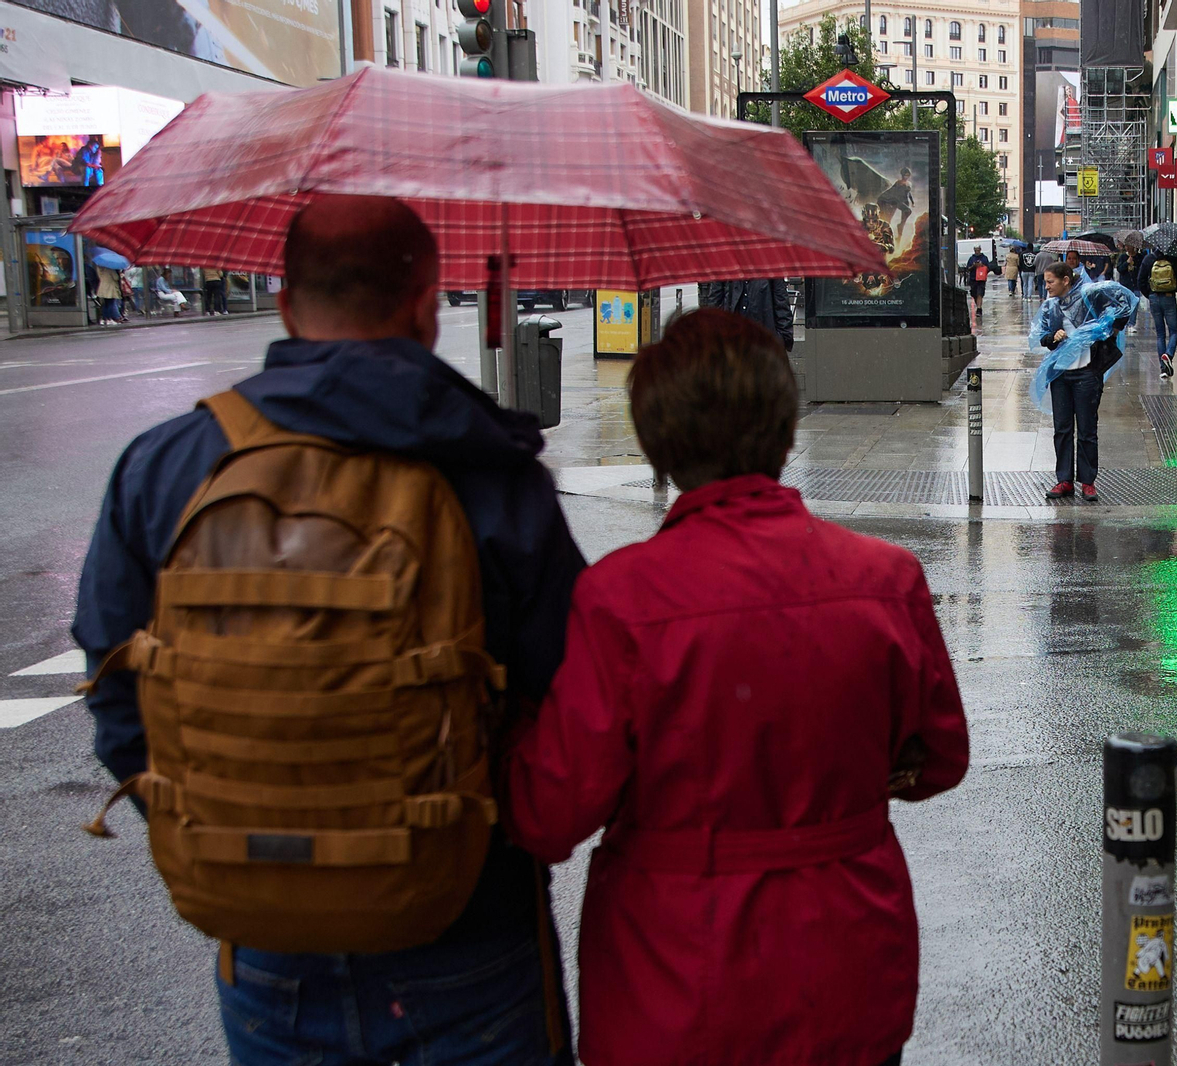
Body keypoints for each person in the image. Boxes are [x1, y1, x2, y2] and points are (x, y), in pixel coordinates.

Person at [72, 196, 583, 1066]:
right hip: (465, 924)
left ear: (283, 301)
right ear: (426, 306)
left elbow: (117, 686)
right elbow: (572, 693)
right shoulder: (491, 474)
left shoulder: (168, 464)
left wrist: (227, 820)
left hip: (267, 941)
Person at [504, 307, 968, 1066]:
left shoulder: (622, 600)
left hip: (675, 978)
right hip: (848, 963)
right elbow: (938, 760)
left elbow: (551, 811)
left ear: (658, 445)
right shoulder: (885, 581)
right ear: (786, 430)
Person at [1031, 261, 1104, 502]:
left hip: (1086, 373)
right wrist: (1053, 336)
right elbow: (1042, 337)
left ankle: (1088, 482)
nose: (1047, 286)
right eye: (1045, 281)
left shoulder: (1088, 300)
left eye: (1050, 281)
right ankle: (1064, 480)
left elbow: (1113, 320)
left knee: (1087, 429)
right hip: (1061, 374)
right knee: (1062, 429)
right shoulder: (1050, 306)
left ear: (1065, 280)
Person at [1139, 246, 1177, 380]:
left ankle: (1163, 367)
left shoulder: (1148, 259)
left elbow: (1140, 281)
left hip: (1154, 297)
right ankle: (1169, 354)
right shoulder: (1174, 258)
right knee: (1174, 332)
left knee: (1160, 334)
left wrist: (1150, 294)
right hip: (1169, 297)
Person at [706, 277, 795, 351]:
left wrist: (782, 338)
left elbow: (781, 302)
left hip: (762, 342)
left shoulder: (768, 266)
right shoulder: (727, 267)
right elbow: (715, 303)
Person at [877, 166, 916, 240]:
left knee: (903, 220)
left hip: (905, 201)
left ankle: (900, 234)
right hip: (897, 201)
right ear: (902, 175)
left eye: (908, 175)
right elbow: (893, 191)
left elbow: (909, 193)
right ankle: (886, 233)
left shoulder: (909, 183)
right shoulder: (899, 183)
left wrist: (912, 202)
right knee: (907, 211)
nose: (906, 177)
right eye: (905, 175)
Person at [1115, 240, 1145, 334]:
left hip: (1136, 285)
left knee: (1134, 305)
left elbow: (1142, 269)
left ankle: (1132, 324)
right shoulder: (1123, 257)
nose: (1127, 247)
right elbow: (1120, 269)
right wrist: (1127, 262)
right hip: (1125, 285)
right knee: (1126, 305)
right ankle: (1125, 323)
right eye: (1126, 245)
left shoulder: (1140, 257)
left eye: (1129, 245)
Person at [965, 246, 992, 318]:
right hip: (973, 279)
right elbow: (968, 268)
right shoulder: (971, 258)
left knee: (979, 293)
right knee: (974, 294)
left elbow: (988, 268)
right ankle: (978, 306)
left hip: (981, 279)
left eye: (978, 250)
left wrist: (982, 265)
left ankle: (979, 309)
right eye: (975, 250)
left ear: (980, 250)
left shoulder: (984, 258)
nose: (977, 251)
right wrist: (974, 266)